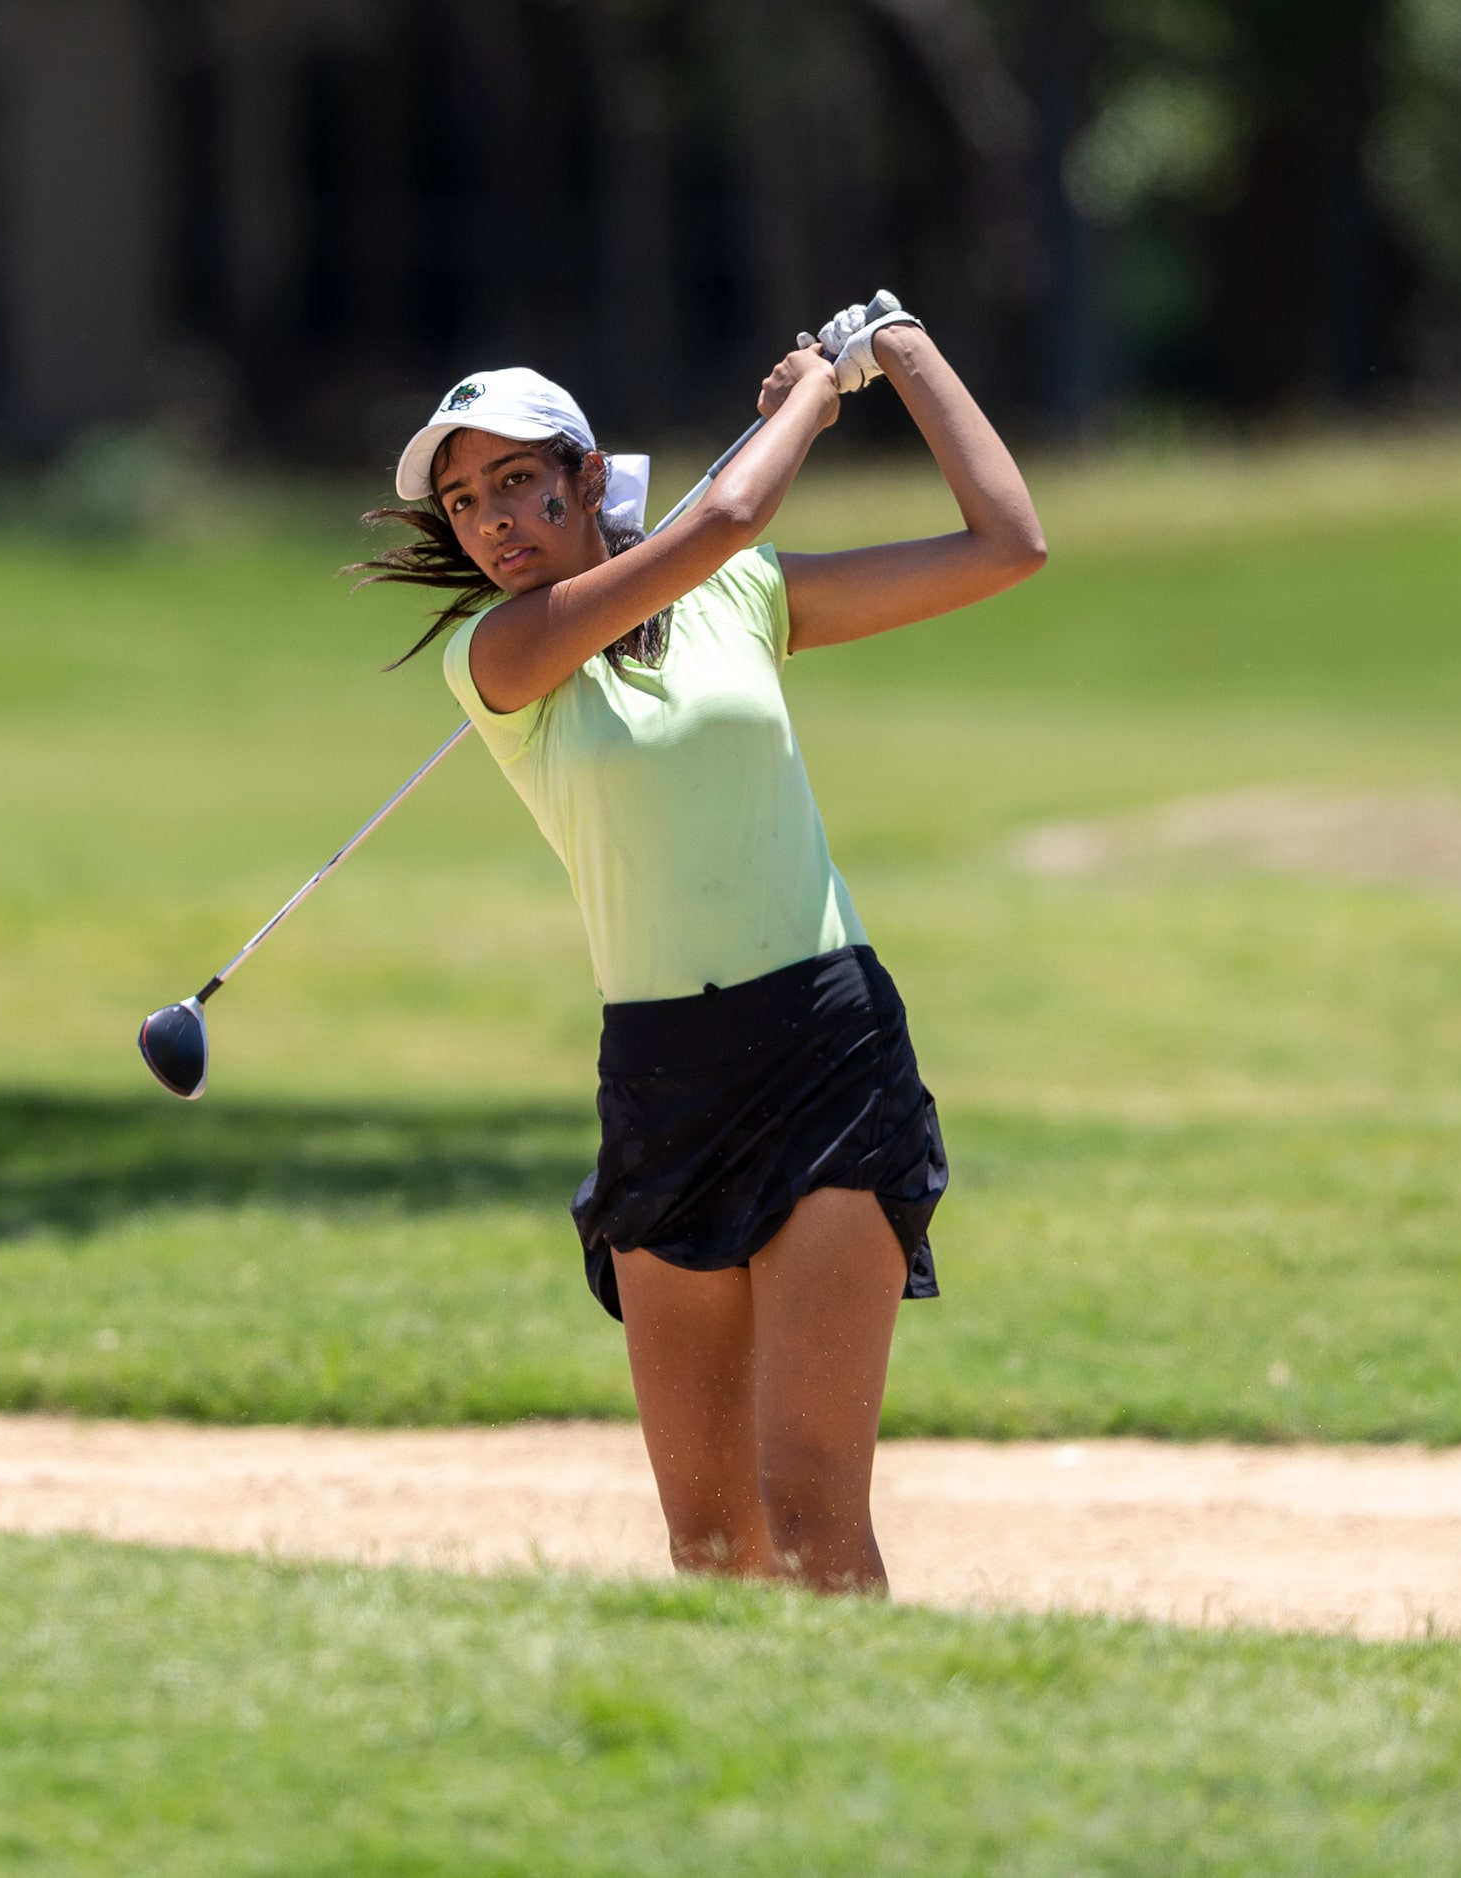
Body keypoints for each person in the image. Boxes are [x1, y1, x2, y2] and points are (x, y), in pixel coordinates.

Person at [353, 301, 1046, 1593]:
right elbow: (723, 514)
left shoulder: (743, 596)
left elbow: (1007, 543)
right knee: (712, 1544)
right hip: (663, 1082)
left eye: (517, 480)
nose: (494, 518)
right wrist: (808, 400)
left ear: (581, 474)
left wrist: (898, 348)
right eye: (464, 502)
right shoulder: (498, 655)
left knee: (805, 1512)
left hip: (824, 1048)